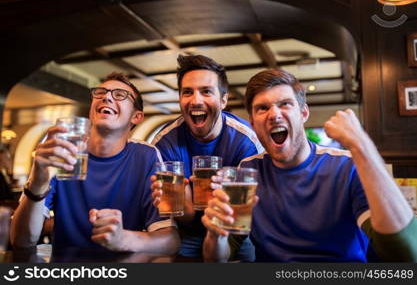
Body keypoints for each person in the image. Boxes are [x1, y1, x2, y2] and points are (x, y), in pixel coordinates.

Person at [202, 68, 417, 262]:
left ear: (304, 113)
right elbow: (216, 259)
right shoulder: (248, 172)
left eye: (285, 104)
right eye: (262, 108)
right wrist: (215, 234)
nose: (274, 114)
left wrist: (362, 145)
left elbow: (407, 254)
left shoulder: (346, 166)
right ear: (252, 123)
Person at [11, 72, 180, 254]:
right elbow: (21, 241)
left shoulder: (146, 156)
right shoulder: (63, 150)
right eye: (101, 92)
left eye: (119, 95)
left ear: (136, 117)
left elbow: (170, 241)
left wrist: (123, 238)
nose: (106, 97)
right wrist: (37, 182)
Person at [151, 55, 264, 260]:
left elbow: (243, 216)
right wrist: (182, 203)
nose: (196, 100)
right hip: (188, 231)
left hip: (232, 229)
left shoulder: (246, 141)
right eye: (187, 92)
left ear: (223, 100)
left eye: (206, 91)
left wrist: (227, 198)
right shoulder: (165, 143)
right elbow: (186, 217)